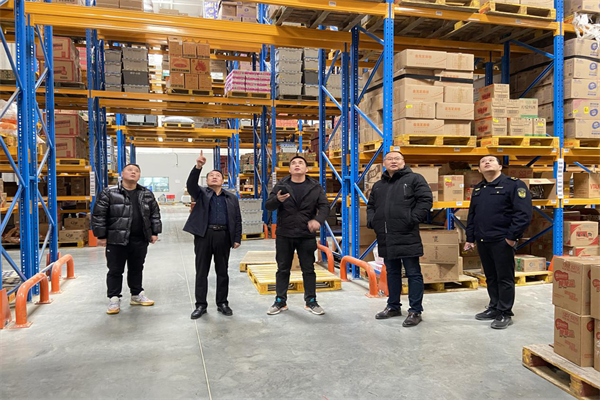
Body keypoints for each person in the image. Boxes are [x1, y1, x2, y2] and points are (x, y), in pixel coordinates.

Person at [464, 155, 532, 329]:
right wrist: (470, 238)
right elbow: (472, 215)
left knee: (504, 278)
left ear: (500, 167)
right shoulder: (479, 189)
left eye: (491, 160)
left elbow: (523, 214)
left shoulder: (514, 185)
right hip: (483, 240)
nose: (487, 162)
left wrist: (511, 237)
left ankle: (504, 312)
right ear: (479, 169)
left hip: (502, 240)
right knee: (491, 277)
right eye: (483, 162)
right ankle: (494, 307)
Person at [366, 151, 433, 327]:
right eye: (389, 159)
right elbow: (371, 205)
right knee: (392, 272)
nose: (393, 161)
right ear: (384, 163)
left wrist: (412, 218)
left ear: (403, 162)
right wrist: (373, 221)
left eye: (397, 158)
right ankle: (393, 306)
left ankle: (415, 311)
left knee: (413, 273)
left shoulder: (414, 179)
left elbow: (426, 200)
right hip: (385, 235)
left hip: (407, 233)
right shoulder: (379, 185)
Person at [91, 163, 162, 315]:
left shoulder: (146, 193)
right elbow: (99, 215)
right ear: (122, 174)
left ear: (139, 176)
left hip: (139, 238)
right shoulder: (109, 193)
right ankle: (114, 298)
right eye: (130, 170)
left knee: (137, 268)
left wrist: (155, 232)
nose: (133, 172)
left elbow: (155, 214)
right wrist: (101, 235)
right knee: (115, 270)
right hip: (116, 239)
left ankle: (136, 295)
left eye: (136, 171)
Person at [265, 155, 329, 316]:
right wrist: (277, 199)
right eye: (293, 163)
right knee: (282, 269)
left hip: (306, 234)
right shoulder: (281, 185)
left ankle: (311, 301)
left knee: (308, 269)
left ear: (306, 169)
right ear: (289, 169)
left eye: (301, 162)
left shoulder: (315, 187)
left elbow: (324, 206)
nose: (297, 165)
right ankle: (280, 301)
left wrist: (318, 220)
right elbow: (268, 206)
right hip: (285, 234)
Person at [184, 150, 242, 320]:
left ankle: (222, 303)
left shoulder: (231, 198)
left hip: (223, 236)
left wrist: (237, 238)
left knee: (222, 271)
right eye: (211, 176)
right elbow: (191, 184)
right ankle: (200, 305)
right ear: (207, 180)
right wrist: (198, 167)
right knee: (201, 271)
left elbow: (237, 218)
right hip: (204, 235)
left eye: (218, 175)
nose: (215, 177)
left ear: (223, 180)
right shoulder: (201, 193)